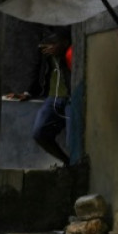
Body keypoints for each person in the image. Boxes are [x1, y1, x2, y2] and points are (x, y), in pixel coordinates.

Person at [5, 29, 73, 166]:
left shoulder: (71, 46)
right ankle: (68, 163)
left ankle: (76, 166)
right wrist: (27, 92)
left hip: (72, 98)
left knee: (73, 139)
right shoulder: (44, 45)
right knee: (39, 132)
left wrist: (65, 46)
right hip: (53, 97)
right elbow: (37, 68)